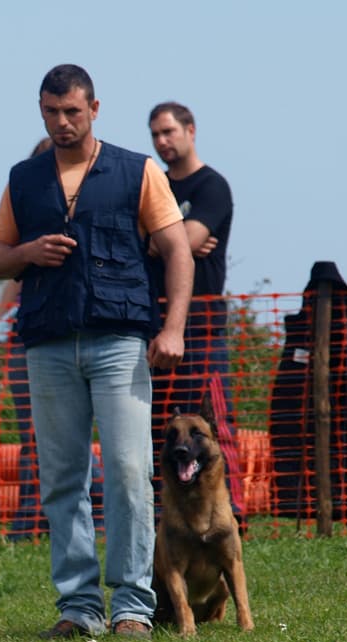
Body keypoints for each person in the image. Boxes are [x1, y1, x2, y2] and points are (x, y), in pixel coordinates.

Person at [0, 64, 194, 640]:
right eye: (51, 112)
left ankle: (132, 607)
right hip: (47, 343)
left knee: (128, 470)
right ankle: (79, 608)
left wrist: (172, 329)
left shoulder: (138, 171)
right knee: (62, 476)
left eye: (72, 111)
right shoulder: (24, 179)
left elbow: (179, 251)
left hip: (120, 341)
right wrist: (27, 250)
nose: (62, 122)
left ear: (95, 109)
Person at [0, 138, 102, 541]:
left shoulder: (90, 208)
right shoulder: (26, 212)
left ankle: (93, 514)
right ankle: (29, 522)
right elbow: (10, 273)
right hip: (26, 336)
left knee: (74, 436)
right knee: (33, 435)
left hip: (77, 333)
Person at [147, 102, 244, 521]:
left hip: (203, 329)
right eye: (155, 135)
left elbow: (187, 239)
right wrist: (172, 240)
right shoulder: (156, 187)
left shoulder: (212, 187)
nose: (162, 141)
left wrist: (162, 240)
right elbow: (176, 241)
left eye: (169, 132)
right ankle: (163, 513)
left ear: (191, 130)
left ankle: (232, 512)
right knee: (160, 429)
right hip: (157, 326)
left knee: (215, 425)